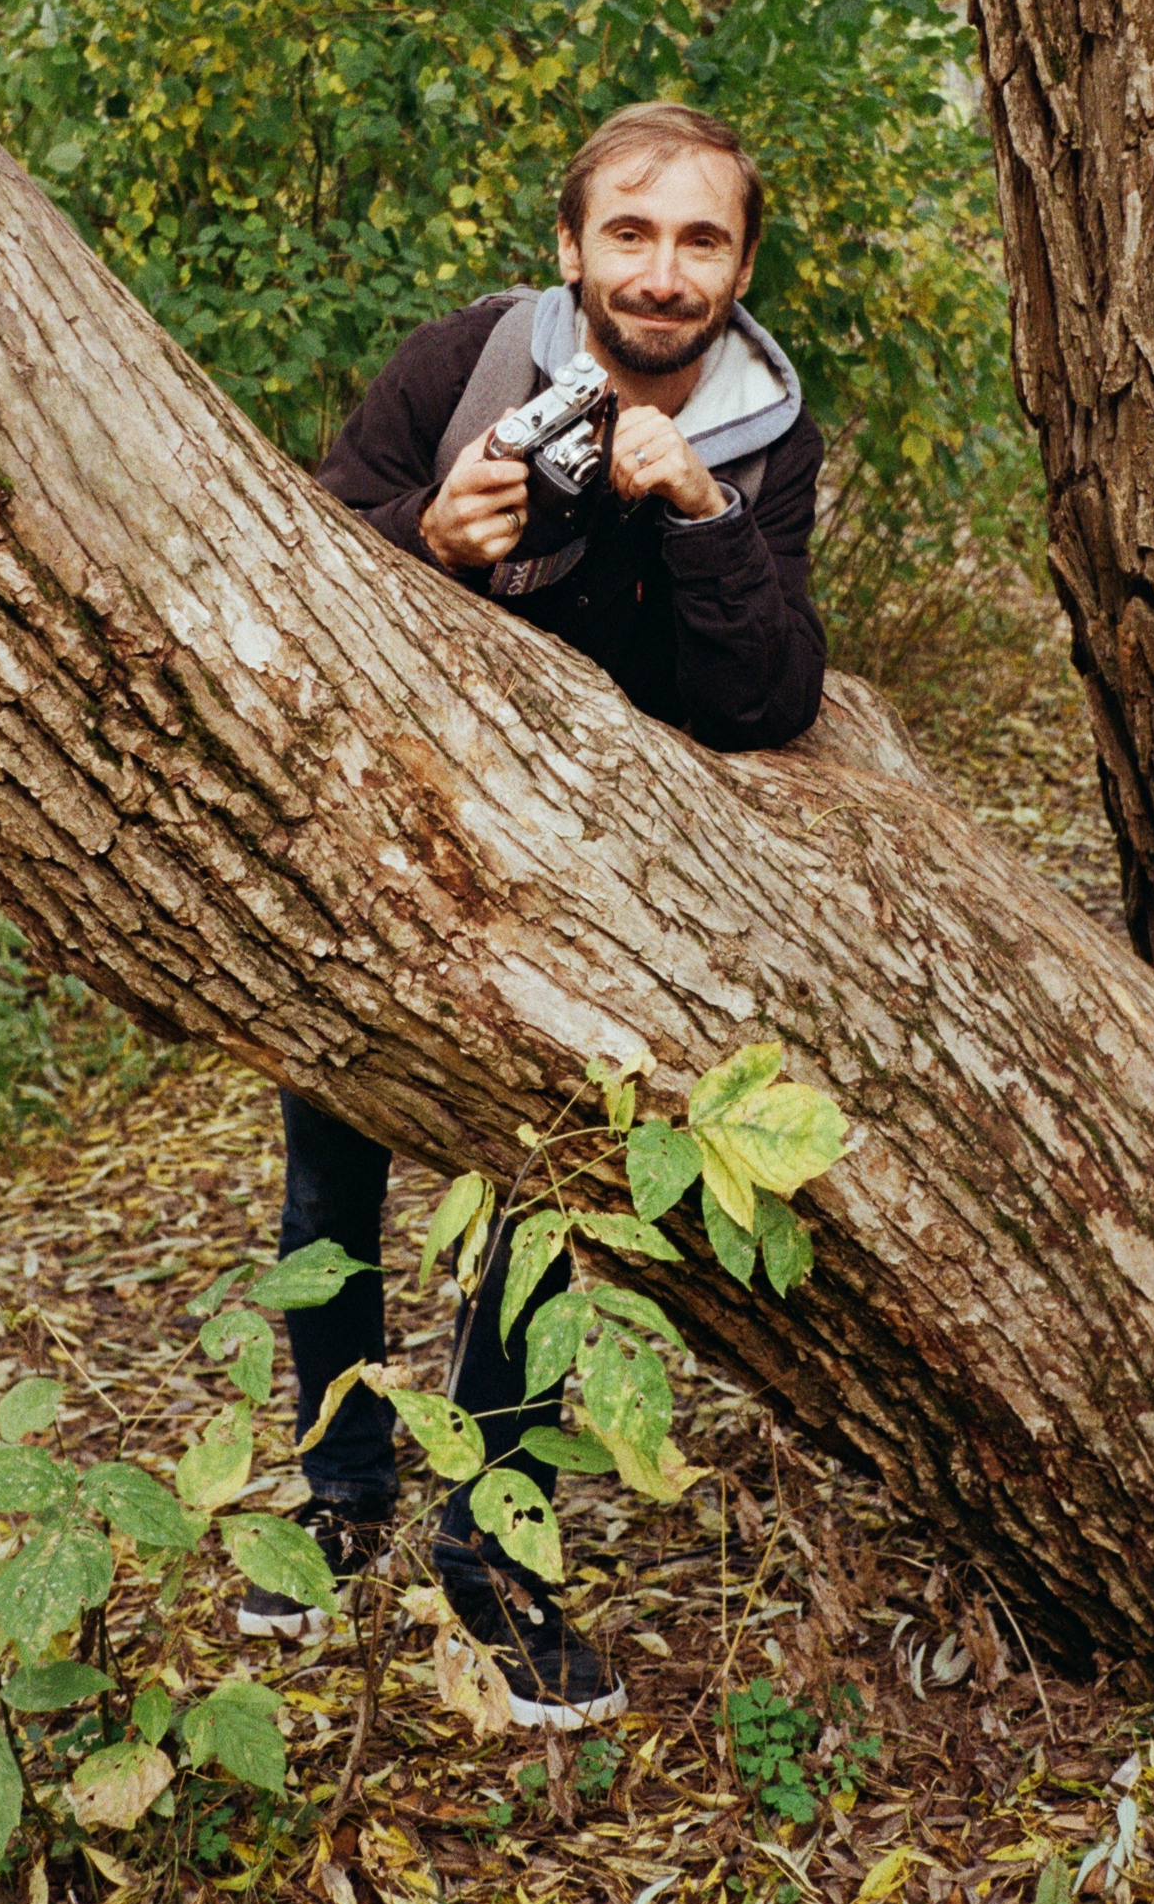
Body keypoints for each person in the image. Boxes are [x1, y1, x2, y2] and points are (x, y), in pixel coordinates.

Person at [234, 102, 825, 1727]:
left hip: (601, 887)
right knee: (332, 1174)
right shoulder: (461, 366)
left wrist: (702, 516)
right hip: (390, 846)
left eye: (701, 238)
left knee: (543, 1203)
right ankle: (337, 1493)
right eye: (630, 232)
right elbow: (293, 570)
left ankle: (491, 1559)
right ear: (572, 248)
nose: (663, 267)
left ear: (743, 265)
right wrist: (423, 543)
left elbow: (765, 700)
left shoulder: (766, 434)